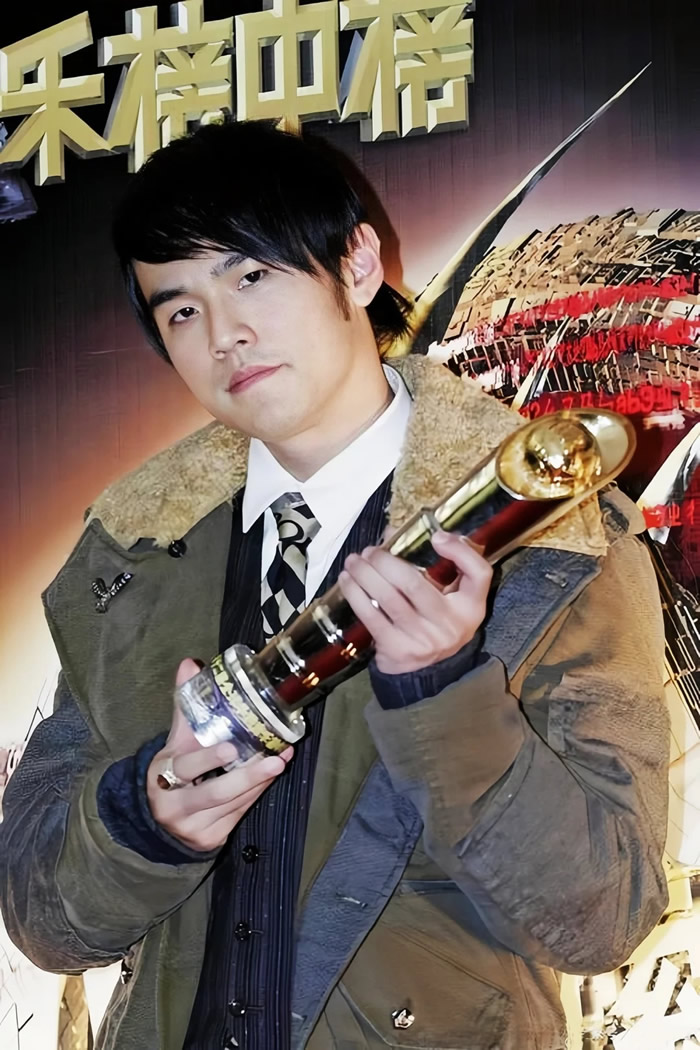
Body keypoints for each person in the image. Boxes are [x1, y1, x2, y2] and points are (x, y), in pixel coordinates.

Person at [0, 120, 670, 1050]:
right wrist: (145, 821)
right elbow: (44, 922)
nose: (225, 335)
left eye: (251, 276)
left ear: (356, 265)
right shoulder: (130, 556)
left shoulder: (555, 540)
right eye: (181, 311)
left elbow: (603, 918)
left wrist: (444, 697)